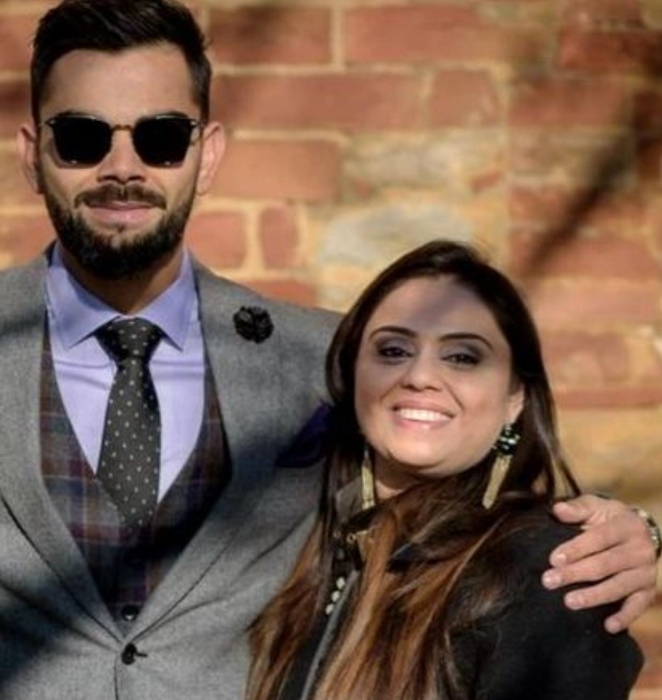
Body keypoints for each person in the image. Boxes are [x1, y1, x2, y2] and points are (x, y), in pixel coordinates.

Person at [0, 0, 655, 698]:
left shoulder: (326, 359)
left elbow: (460, 474)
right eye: (81, 138)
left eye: (161, 138)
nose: (122, 168)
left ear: (207, 153)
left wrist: (630, 531)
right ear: (32, 153)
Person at [248, 240, 644, 700]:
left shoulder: (551, 567)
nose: (419, 376)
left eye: (463, 357)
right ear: (353, 374)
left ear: (515, 397)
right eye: (393, 350)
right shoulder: (313, 537)